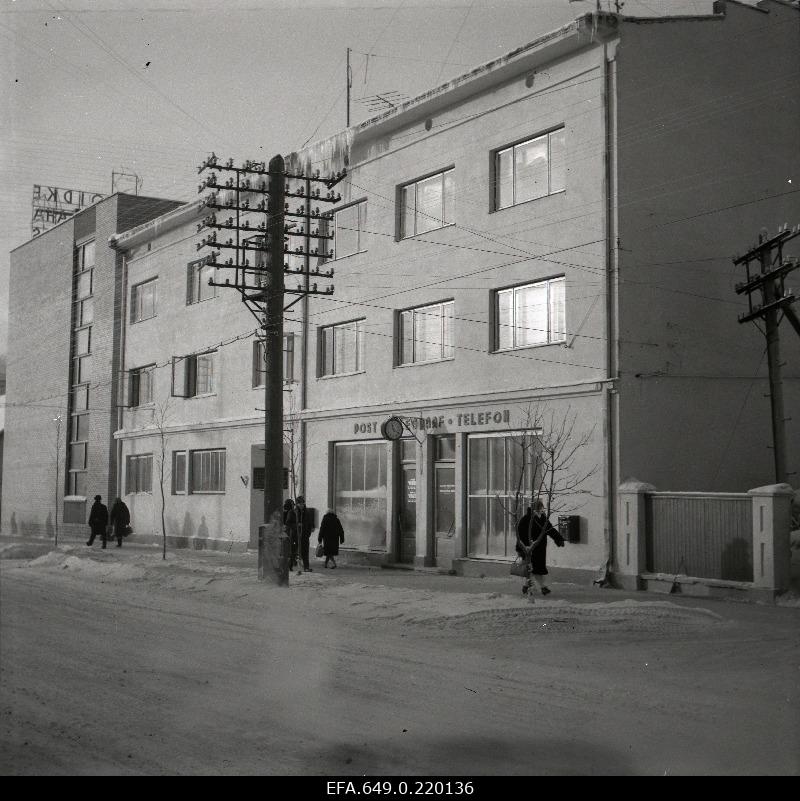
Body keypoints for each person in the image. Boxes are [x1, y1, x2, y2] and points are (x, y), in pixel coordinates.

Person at [516, 499, 565, 596]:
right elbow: (520, 535)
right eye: (540, 507)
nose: (542, 509)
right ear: (536, 508)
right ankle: (543, 587)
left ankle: (526, 587)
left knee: (534, 569)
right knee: (534, 569)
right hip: (529, 549)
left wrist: (559, 539)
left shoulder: (542, 518)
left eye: (542, 508)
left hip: (540, 549)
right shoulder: (526, 519)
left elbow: (550, 530)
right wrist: (520, 549)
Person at [295, 495, 315, 573]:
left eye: (302, 503)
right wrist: (297, 525)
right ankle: (294, 566)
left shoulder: (307, 512)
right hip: (296, 535)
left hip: (305, 535)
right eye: (300, 503)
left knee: (305, 551)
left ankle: (306, 567)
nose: (301, 505)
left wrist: (311, 527)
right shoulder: (293, 512)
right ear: (297, 504)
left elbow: (310, 521)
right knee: (296, 551)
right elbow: (288, 523)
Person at [283, 498, 298, 569]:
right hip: (290, 531)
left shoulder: (284, 511)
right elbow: (286, 522)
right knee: (291, 547)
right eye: (292, 504)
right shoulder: (291, 512)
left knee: (289, 547)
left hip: (287, 531)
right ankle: (291, 561)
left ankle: (290, 561)